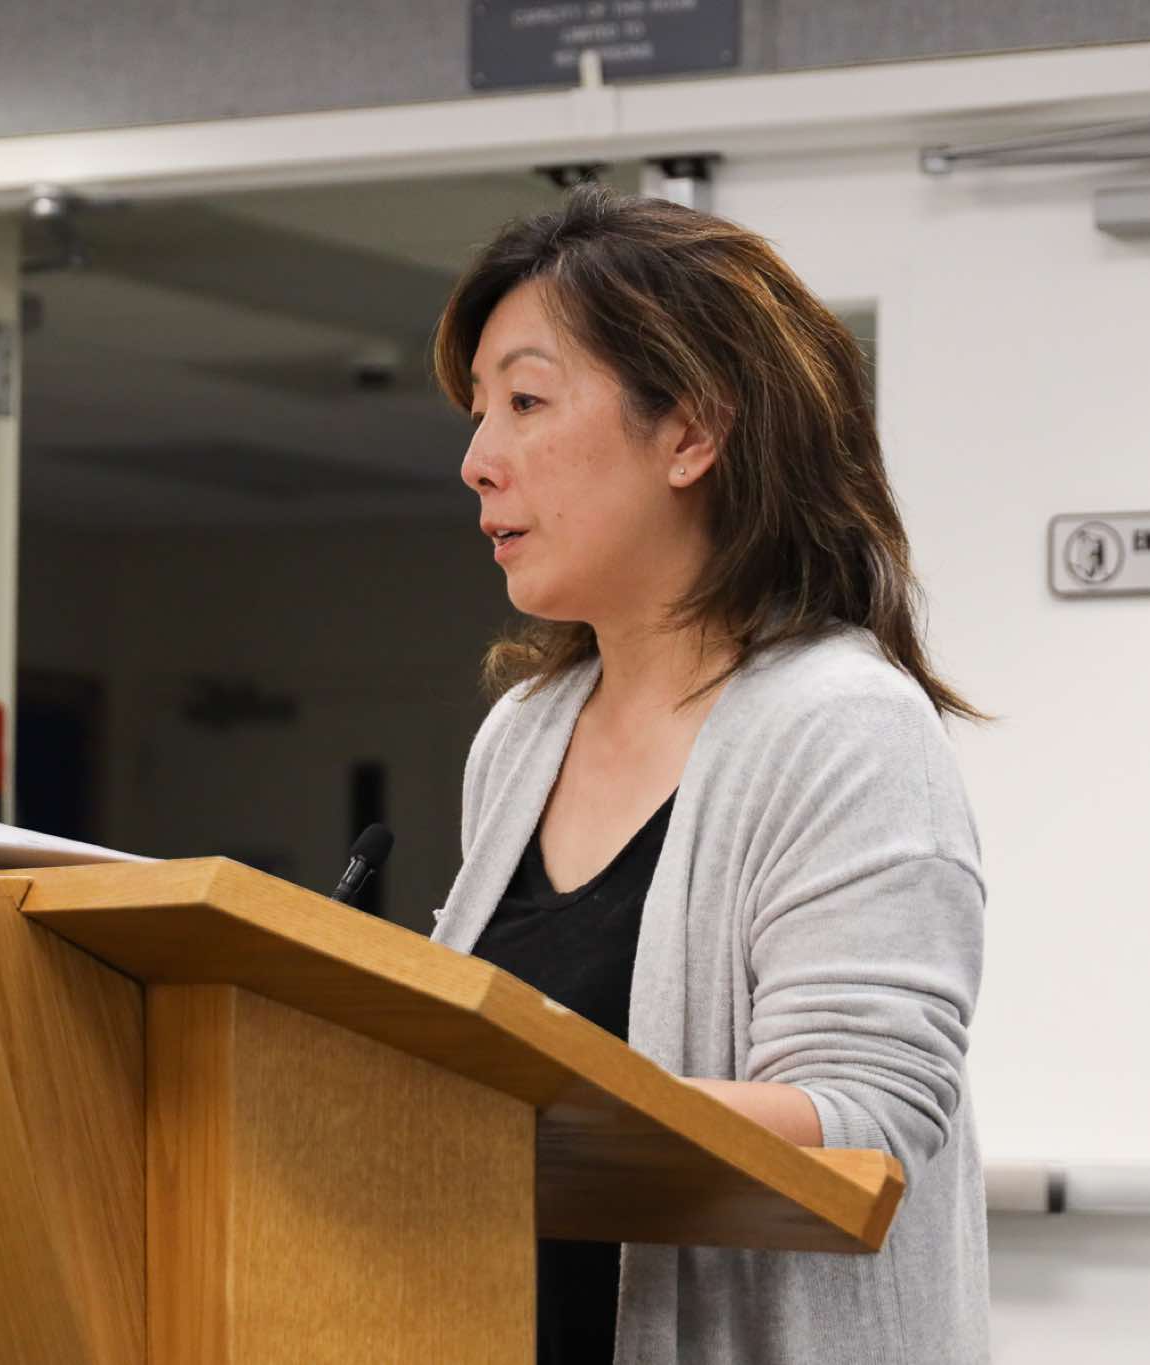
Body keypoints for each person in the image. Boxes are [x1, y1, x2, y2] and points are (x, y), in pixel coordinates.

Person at [430, 184, 989, 1364]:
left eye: (524, 402)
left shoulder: (842, 726)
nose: (477, 461)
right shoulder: (522, 736)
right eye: (479, 412)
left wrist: (488, 1126)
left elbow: (863, 1127)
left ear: (689, 433)